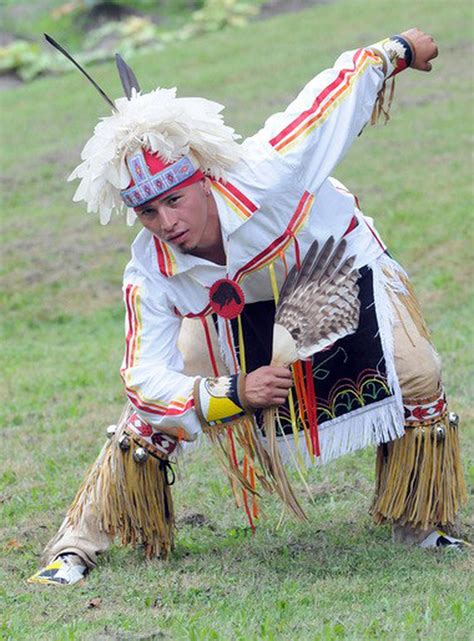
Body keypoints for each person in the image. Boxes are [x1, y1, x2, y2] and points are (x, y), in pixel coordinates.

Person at [29, 28, 468, 587]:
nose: (168, 224)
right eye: (148, 214)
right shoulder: (151, 271)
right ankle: (75, 547)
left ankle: (420, 522)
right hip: (225, 317)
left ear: (202, 180)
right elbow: (143, 376)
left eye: (174, 200)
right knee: (148, 415)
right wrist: (230, 393)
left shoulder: (263, 172)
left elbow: (326, 100)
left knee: (418, 371)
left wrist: (396, 52)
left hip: (330, 268)